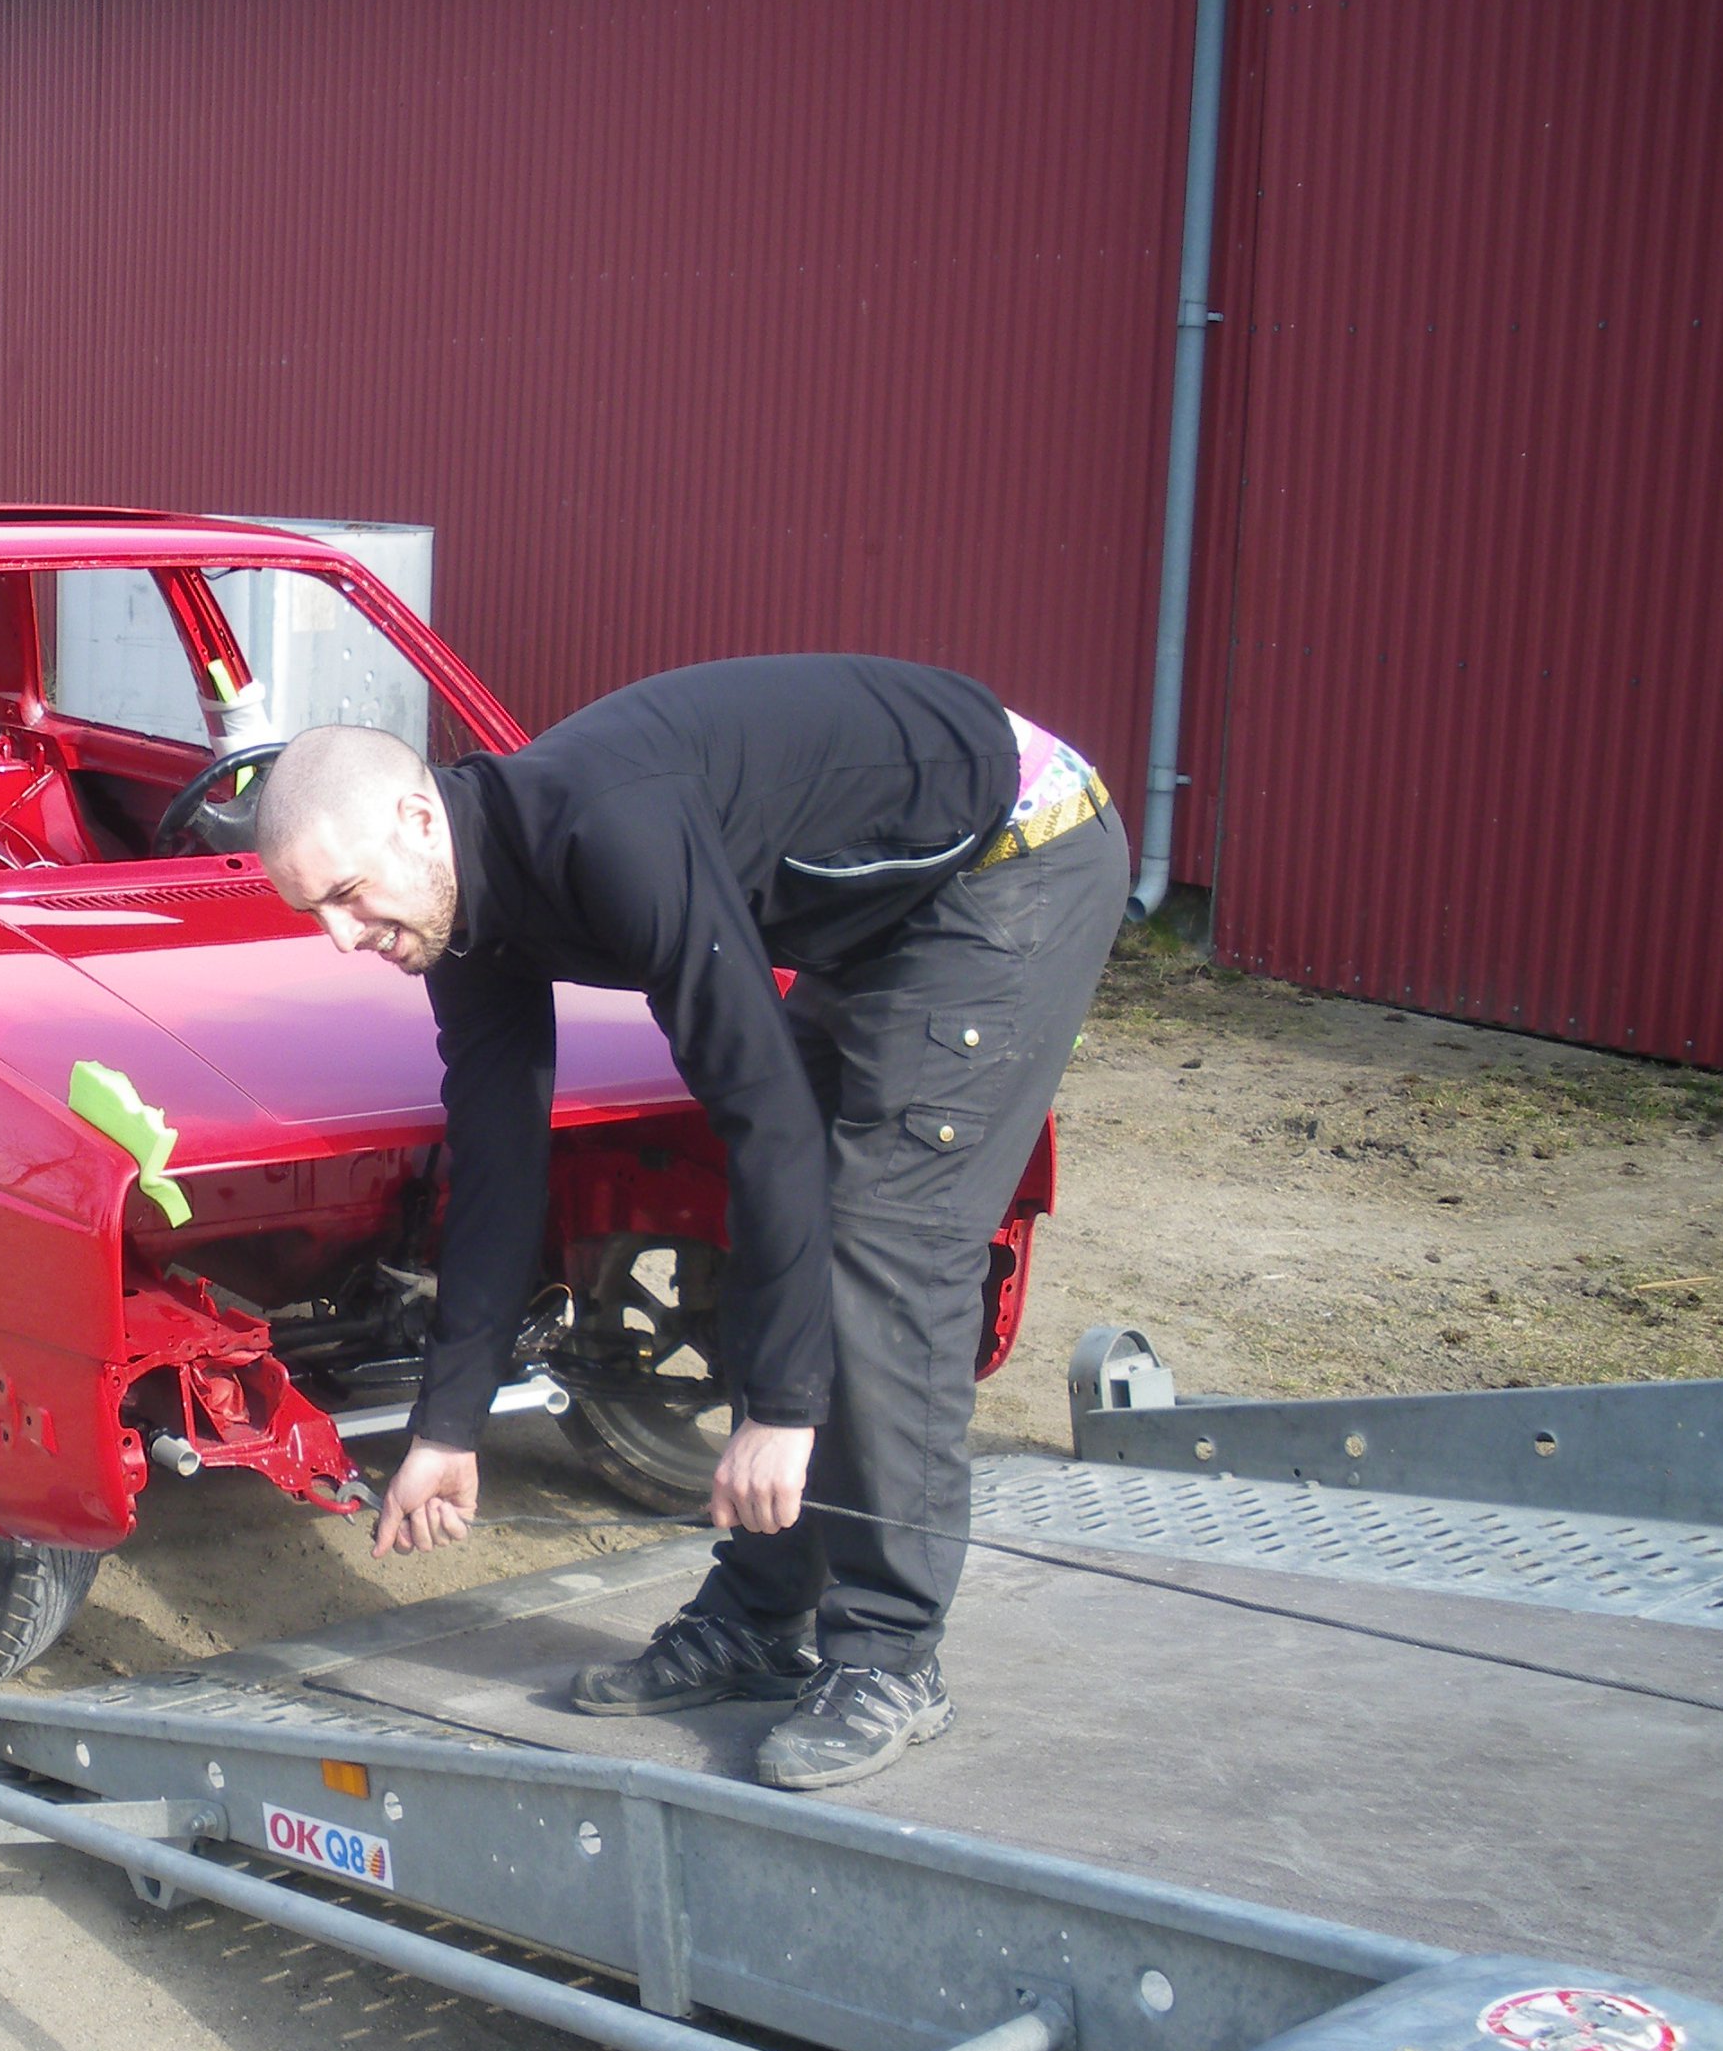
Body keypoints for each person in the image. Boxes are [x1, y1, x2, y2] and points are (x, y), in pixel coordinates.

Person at [253, 656, 1125, 1790]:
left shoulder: (609, 834)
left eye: (346, 893)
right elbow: (501, 1164)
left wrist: (784, 1408)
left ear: (419, 820)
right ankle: (762, 1614)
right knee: (772, 1224)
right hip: (886, 907)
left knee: (882, 1245)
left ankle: (891, 1656)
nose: (340, 935)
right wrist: (448, 1426)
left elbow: (766, 1113)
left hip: (1013, 854)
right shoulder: (462, 907)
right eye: (314, 911)